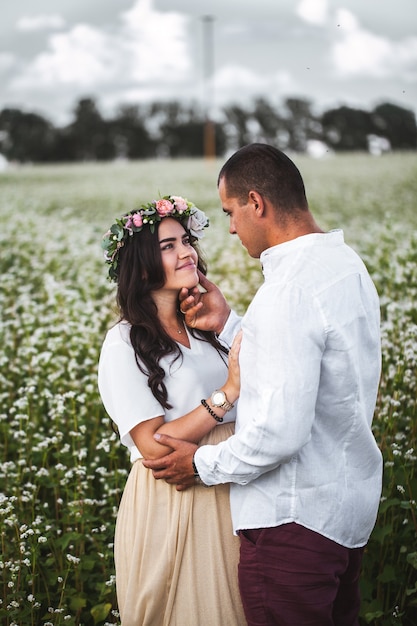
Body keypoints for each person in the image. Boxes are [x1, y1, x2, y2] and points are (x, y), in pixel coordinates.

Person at [142, 144, 383, 626]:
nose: (229, 227)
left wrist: (200, 464)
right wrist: (229, 324)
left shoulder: (288, 290)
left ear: (257, 203)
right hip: (342, 513)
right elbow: (298, 363)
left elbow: (279, 433)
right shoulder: (342, 265)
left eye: (231, 211)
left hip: (292, 526)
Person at [97, 195, 247, 626]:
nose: (187, 252)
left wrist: (225, 322)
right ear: (142, 267)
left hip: (229, 481)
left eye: (187, 240)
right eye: (169, 246)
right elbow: (155, 446)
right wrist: (227, 393)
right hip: (177, 496)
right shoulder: (123, 343)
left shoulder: (204, 327)